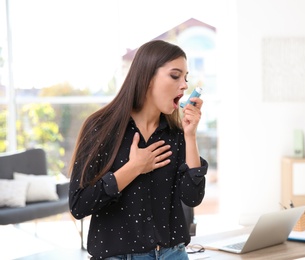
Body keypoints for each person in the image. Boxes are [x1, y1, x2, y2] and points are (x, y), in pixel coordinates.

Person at [68, 40, 208, 260]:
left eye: (186, 78)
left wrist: (190, 136)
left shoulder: (176, 134)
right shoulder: (100, 128)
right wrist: (133, 168)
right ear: (148, 76)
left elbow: (192, 197)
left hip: (174, 254)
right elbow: (79, 205)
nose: (184, 85)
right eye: (175, 76)